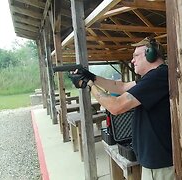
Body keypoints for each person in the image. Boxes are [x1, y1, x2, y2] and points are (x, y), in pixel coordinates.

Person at [69, 37, 174, 180]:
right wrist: (92, 77)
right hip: (155, 158)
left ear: (151, 54)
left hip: (159, 162)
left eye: (136, 56)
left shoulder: (158, 76)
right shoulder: (153, 76)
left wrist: (89, 85)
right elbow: (121, 87)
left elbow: (115, 106)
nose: (132, 61)